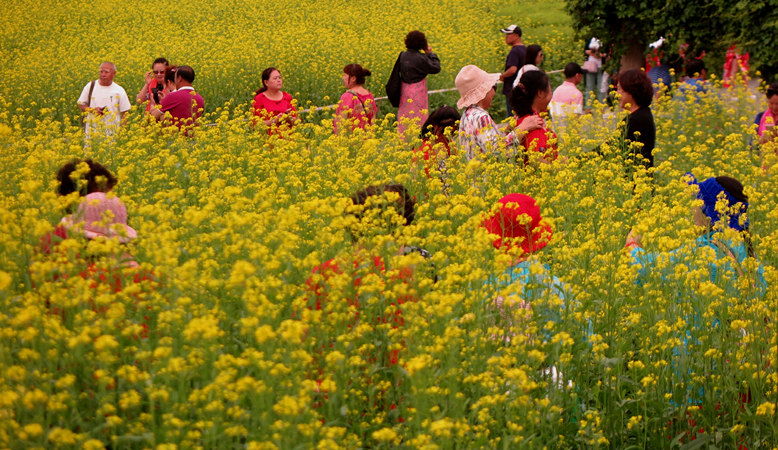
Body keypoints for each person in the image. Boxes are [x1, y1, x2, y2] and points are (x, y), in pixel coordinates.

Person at [455, 65, 542, 161]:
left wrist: (508, 130)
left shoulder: (467, 115)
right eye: (493, 87)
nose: (494, 92)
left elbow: (486, 144)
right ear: (484, 91)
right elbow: (497, 152)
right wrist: (523, 128)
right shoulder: (482, 117)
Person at [397, 30, 441, 137]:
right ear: (422, 43)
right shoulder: (422, 58)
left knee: (405, 115)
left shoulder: (402, 56)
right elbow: (436, 68)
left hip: (404, 91)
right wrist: (430, 53)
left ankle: (404, 139)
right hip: (418, 91)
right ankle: (419, 139)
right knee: (419, 116)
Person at [611, 69, 656, 169]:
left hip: (635, 180)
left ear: (631, 91)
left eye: (619, 89)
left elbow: (611, 148)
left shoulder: (636, 120)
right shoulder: (643, 114)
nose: (617, 94)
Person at [512, 70, 557, 163]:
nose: (551, 96)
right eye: (549, 91)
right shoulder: (534, 123)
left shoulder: (518, 118)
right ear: (540, 93)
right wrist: (560, 167)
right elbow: (536, 161)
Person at [77, 62, 132, 139]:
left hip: (112, 134)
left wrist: (123, 132)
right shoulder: (91, 86)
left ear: (114, 74)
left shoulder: (119, 91)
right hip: (92, 133)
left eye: (106, 72)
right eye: (101, 71)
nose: (103, 74)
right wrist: (93, 110)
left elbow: (125, 113)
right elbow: (80, 104)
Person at [413, 106, 460, 191]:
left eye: (452, 133)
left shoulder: (451, 146)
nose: (448, 137)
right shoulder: (422, 149)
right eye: (445, 132)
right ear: (435, 127)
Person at [148, 65, 204, 134]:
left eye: (175, 78)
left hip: (176, 140)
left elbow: (154, 116)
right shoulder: (200, 98)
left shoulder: (173, 96)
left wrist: (152, 105)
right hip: (194, 140)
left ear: (179, 78)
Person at [252, 67, 299, 134]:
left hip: (289, 139)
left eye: (280, 78)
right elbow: (255, 124)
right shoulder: (259, 99)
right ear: (266, 82)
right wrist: (274, 120)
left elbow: (297, 120)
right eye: (275, 78)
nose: (279, 80)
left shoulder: (287, 97)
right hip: (268, 140)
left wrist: (288, 118)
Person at [334, 64, 376, 134]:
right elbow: (373, 121)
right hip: (368, 141)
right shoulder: (369, 95)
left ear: (353, 78)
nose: (343, 78)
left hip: (352, 141)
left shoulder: (347, 96)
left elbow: (340, 123)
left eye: (345, 75)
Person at [499, 24, 526, 118]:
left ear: (516, 36)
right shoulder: (525, 49)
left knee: (512, 118)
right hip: (522, 89)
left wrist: (502, 76)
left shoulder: (514, 51)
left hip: (512, 89)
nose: (506, 37)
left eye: (508, 34)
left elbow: (512, 69)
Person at [582, 38, 606, 106]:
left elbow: (606, 53)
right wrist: (593, 53)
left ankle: (601, 105)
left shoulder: (604, 40)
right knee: (589, 87)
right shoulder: (590, 39)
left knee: (601, 87)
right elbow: (585, 51)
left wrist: (599, 54)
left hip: (601, 67)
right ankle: (588, 107)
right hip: (590, 66)